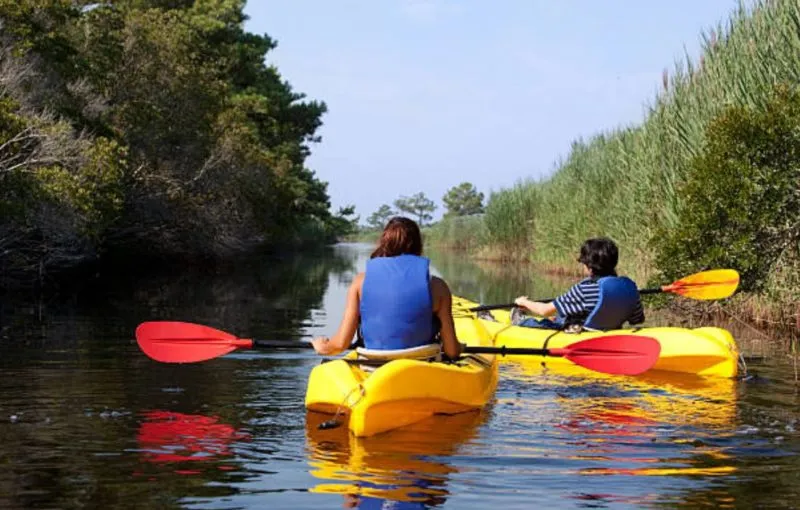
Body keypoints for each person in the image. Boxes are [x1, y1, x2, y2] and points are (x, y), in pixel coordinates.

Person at [311, 217, 463, 359]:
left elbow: (340, 344)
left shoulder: (359, 283)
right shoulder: (438, 287)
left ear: (384, 243)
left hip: (373, 366)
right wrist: (460, 347)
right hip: (421, 366)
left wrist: (322, 346)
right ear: (418, 245)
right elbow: (451, 351)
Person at [513, 237, 645, 331]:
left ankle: (521, 320)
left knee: (540, 323)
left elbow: (544, 310)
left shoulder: (585, 288)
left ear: (590, 267)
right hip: (609, 332)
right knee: (561, 316)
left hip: (581, 334)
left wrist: (524, 302)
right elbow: (638, 319)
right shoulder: (629, 287)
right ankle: (558, 318)